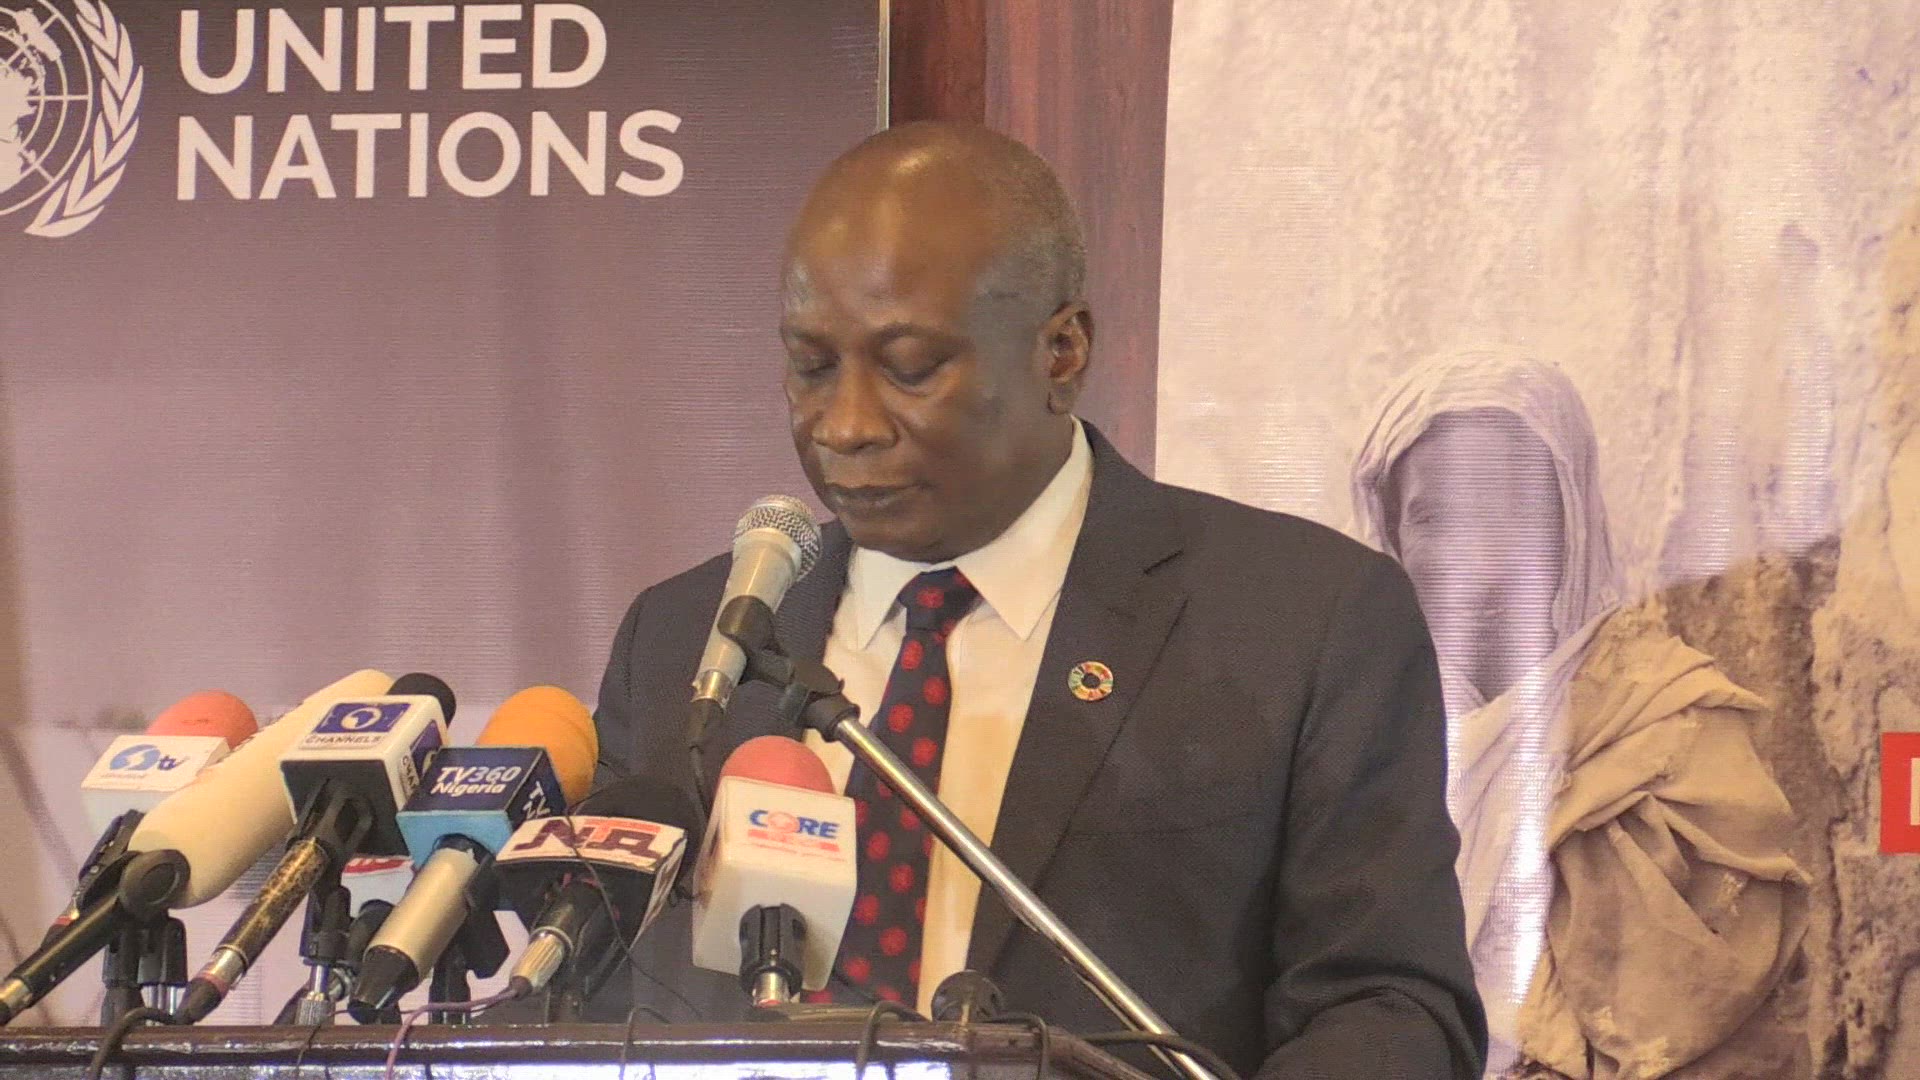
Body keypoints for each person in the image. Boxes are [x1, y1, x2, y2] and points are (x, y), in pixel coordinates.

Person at [592, 121, 1485, 1078]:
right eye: (811, 366)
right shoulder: (686, 644)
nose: (843, 425)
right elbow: (597, 1006)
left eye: (910, 368)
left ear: (1061, 352)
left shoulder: (1301, 620)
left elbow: (1389, 1008)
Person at [1350, 352, 1809, 1079]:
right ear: (1391, 537)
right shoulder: (1353, 735)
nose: (1482, 562)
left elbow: (1714, 1023)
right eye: (1437, 517)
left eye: (1516, 511)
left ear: (1573, 520)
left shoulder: (1670, 726)